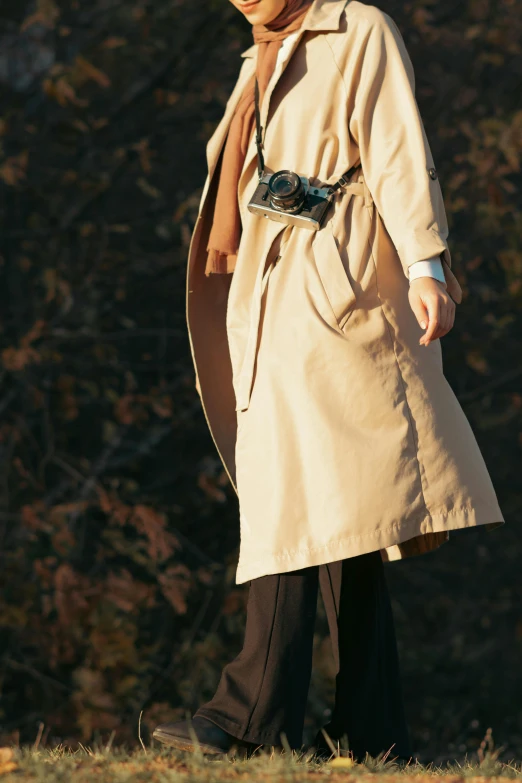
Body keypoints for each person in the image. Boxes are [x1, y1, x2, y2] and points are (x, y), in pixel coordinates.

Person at [153, 0, 505, 762]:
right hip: (275, 287)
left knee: (298, 490)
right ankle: (371, 727)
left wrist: (426, 264)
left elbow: (398, 148)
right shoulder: (261, 53)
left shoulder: (359, 29)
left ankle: (250, 715)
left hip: (339, 285)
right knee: (350, 504)